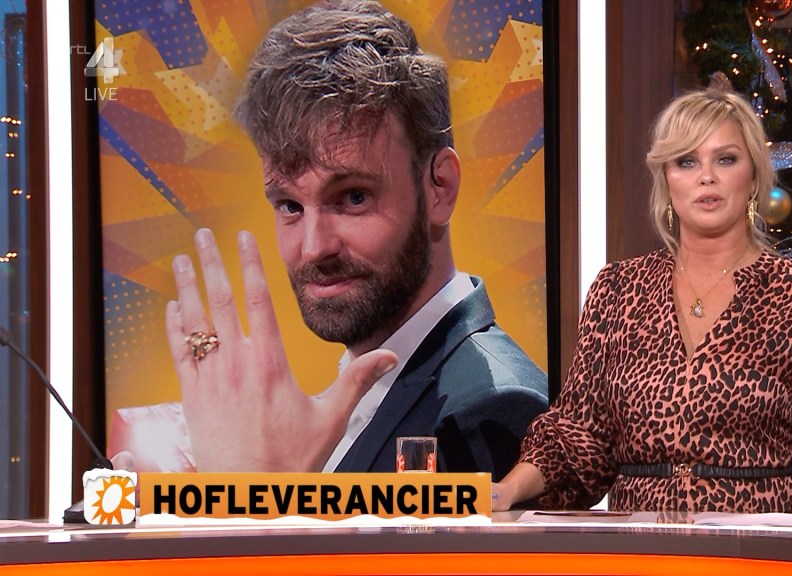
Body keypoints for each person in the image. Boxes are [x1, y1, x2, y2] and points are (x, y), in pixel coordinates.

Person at [131, 0, 548, 476]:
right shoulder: (373, 387)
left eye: (353, 197)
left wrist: (251, 496)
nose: (314, 247)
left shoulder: (493, 409)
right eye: (290, 205)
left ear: (440, 187)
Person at [492, 88, 792, 515]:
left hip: (758, 542)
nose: (706, 177)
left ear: (754, 176)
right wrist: (504, 491)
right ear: (667, 180)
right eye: (686, 162)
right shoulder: (618, 289)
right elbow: (576, 438)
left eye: (726, 159)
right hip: (640, 541)